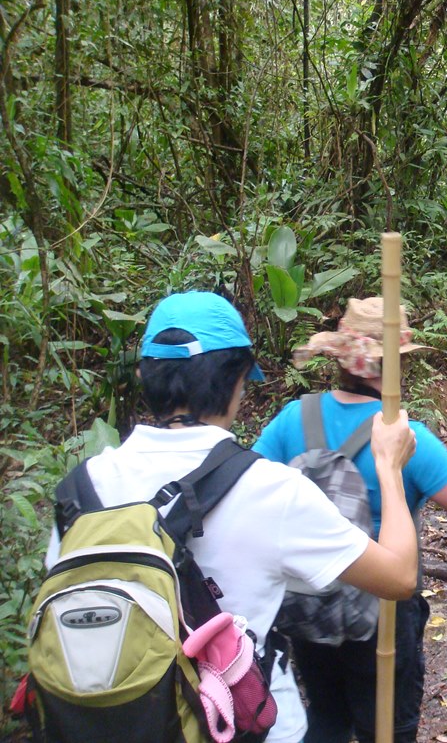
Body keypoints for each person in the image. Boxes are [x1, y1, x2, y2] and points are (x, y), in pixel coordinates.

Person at [43, 291, 420, 743]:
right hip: (246, 727)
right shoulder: (270, 490)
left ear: (144, 375)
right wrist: (389, 467)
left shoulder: (81, 488)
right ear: (238, 378)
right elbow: (398, 577)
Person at [253, 296, 447, 743]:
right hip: (384, 613)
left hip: (311, 606)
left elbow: (247, 494)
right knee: (389, 728)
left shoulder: (293, 419)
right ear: (379, 366)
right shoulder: (404, 437)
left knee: (326, 718)